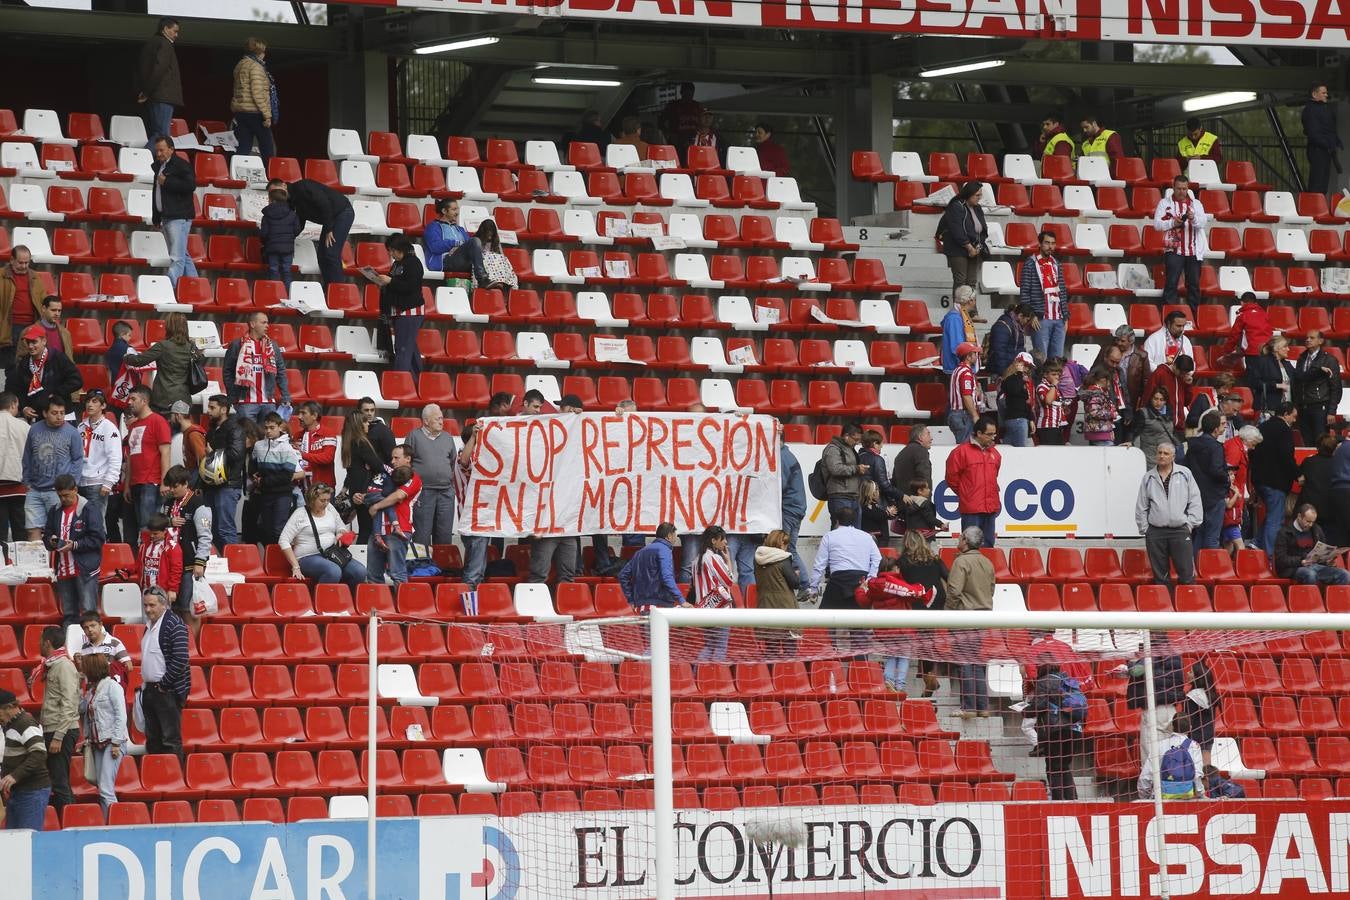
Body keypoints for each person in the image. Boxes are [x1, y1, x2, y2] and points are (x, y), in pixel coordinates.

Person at [810, 516, 881, 651]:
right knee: (859, 630)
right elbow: (877, 558)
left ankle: (830, 656)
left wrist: (813, 588)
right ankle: (860, 660)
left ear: (837, 521)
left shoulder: (829, 536)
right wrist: (870, 579)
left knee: (826, 624)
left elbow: (820, 564)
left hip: (837, 582)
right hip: (860, 583)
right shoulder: (866, 537)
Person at [1135, 444, 1203, 586]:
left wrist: (1190, 524)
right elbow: (1141, 506)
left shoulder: (1185, 473)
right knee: (1160, 577)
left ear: (1173, 457)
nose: (1162, 456)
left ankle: (1186, 599)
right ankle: (1164, 600)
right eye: (1159, 452)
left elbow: (1195, 500)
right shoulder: (1148, 477)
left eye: (1166, 453)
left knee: (1187, 575)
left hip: (1180, 530)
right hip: (1156, 532)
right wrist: (1146, 529)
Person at [267, 177, 354, 287]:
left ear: (284, 185)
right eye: (273, 193)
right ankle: (329, 288)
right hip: (331, 218)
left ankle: (338, 290)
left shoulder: (303, 187)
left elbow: (324, 203)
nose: (276, 194)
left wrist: (329, 229)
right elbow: (299, 223)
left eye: (276, 190)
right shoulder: (290, 203)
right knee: (322, 256)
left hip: (342, 212)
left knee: (331, 253)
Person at [947, 526, 995, 717]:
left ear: (965, 540)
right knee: (976, 662)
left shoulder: (961, 562)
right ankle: (982, 707)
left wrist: (949, 612)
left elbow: (954, 591)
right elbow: (991, 589)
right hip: (982, 618)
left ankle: (968, 707)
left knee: (965, 662)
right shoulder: (987, 562)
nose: (958, 540)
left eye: (960, 537)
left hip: (964, 618)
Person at [279, 484, 367, 588]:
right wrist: (295, 567)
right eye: (322, 500)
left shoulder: (330, 508)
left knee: (360, 571)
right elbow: (283, 540)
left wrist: (340, 533)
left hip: (332, 554)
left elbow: (341, 526)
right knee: (333, 571)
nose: (326, 503)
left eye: (328, 500)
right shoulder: (300, 514)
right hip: (307, 557)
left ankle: (345, 596)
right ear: (312, 500)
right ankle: (323, 597)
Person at [45, 473, 104, 626]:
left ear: (75, 490)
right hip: (63, 569)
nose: (63, 499)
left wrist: (75, 545)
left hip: (85, 569)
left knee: (89, 614)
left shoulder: (89, 509)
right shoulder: (54, 511)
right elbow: (47, 536)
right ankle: (69, 641)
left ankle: (92, 642)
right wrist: (51, 541)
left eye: (66, 495)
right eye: (60, 496)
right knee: (69, 615)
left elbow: (98, 539)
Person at [364, 234, 427, 376]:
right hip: (400, 311)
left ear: (401, 248)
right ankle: (417, 381)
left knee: (402, 349)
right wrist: (383, 283)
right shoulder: (397, 264)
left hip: (410, 312)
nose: (391, 254)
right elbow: (395, 284)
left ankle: (400, 381)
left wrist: (390, 281)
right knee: (409, 349)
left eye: (393, 250)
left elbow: (410, 286)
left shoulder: (414, 263)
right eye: (390, 251)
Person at [21, 397, 83, 542]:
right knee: (32, 531)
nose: (59, 417)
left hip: (59, 492)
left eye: (62, 413)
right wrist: (27, 481)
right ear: (45, 413)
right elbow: (27, 456)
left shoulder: (72, 432)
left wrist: (71, 484)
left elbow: (78, 460)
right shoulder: (34, 429)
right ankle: (38, 558)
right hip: (34, 490)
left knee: (59, 532)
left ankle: (58, 558)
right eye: (54, 413)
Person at [140, 586, 189, 762]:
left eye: (152, 605)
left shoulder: (174, 624)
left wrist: (164, 684)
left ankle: (174, 776)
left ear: (163, 604)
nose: (147, 609)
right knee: (153, 740)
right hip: (151, 690)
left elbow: (181, 659)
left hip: (166, 691)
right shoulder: (150, 625)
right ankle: (157, 775)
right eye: (145, 605)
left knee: (170, 740)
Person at [33, 625, 78, 814]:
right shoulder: (53, 664)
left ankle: (69, 821)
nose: (38, 644)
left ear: (47, 643)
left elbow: (70, 702)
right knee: (59, 780)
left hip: (60, 730)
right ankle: (70, 819)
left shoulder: (63, 665)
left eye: (40, 640)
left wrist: (58, 736)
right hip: (55, 728)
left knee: (59, 782)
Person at [897, 529, 946, 697]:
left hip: (918, 600)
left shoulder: (904, 561)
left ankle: (929, 676)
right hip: (937, 598)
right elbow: (948, 577)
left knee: (923, 640)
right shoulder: (935, 559)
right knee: (928, 638)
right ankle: (929, 676)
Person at [78, 652, 128, 813]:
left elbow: (121, 715)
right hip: (97, 743)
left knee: (106, 789)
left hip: (112, 743)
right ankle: (109, 821)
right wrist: (79, 685)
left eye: (85, 668)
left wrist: (116, 742)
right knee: (102, 788)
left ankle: (117, 822)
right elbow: (81, 709)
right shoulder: (92, 690)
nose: (83, 671)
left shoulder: (113, 686)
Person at [122, 311, 199, 415]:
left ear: (169, 327)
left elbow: (139, 361)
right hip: (184, 398)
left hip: (163, 398)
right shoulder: (192, 347)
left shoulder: (163, 346)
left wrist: (126, 357)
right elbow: (199, 362)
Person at [160, 465, 212, 615]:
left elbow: (205, 536)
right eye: (170, 486)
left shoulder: (198, 504)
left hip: (189, 564)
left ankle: (190, 632)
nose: (172, 490)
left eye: (175, 486)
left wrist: (200, 562)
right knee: (170, 608)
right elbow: (156, 524)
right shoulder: (168, 503)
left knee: (188, 608)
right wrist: (169, 522)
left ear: (185, 483)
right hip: (169, 564)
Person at [366, 452, 421, 589]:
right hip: (378, 530)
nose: (392, 461)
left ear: (408, 459)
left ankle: (403, 602)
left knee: (397, 574)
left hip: (398, 530)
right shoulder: (387, 475)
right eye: (392, 458)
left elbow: (398, 496)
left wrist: (375, 506)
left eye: (396, 458)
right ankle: (380, 603)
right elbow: (376, 493)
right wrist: (363, 497)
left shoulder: (412, 476)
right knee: (373, 576)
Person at [124, 386, 172, 544]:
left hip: (151, 482)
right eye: (129, 399)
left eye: (133, 399)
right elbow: (130, 458)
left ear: (144, 401)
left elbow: (165, 452)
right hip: (136, 483)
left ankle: (152, 556)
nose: (129, 402)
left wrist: (164, 481)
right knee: (142, 527)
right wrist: (127, 485)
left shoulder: (158, 421)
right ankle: (145, 555)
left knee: (149, 526)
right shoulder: (133, 426)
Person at [223, 311, 291, 422]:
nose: (267, 326)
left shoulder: (272, 346)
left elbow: (281, 371)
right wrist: (233, 396)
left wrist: (285, 396)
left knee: (268, 433)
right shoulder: (237, 344)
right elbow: (227, 371)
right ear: (252, 324)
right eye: (263, 323)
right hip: (245, 402)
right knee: (248, 433)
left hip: (268, 402)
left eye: (267, 323)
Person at [1026, 661, 1080, 800]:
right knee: (1064, 766)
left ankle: (1058, 802)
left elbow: (1039, 705)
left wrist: (1024, 710)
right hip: (1074, 729)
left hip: (1055, 730)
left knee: (1053, 767)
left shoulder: (1044, 681)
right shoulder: (1068, 680)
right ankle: (1072, 800)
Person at [945, 415, 1002, 547]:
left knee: (988, 546)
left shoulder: (995, 453)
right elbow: (951, 478)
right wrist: (967, 493)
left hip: (990, 507)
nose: (993, 437)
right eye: (989, 434)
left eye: (994, 434)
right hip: (971, 509)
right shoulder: (960, 452)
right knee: (970, 546)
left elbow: (994, 477)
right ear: (979, 433)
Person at [1154, 175, 1208, 312]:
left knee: (1194, 286)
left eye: (1184, 189)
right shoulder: (1164, 203)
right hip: (1173, 250)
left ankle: (1194, 316)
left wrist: (1193, 218)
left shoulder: (1196, 204)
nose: (1181, 192)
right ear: (1173, 187)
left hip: (1194, 251)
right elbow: (1157, 224)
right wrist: (1173, 223)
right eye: (1178, 188)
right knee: (1171, 284)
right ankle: (1169, 316)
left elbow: (1203, 222)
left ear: (1187, 188)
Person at [1251, 402, 1299, 555]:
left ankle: (1257, 543)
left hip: (1259, 480)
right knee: (1276, 519)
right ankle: (1271, 556)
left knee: (1273, 514)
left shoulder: (1262, 427)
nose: (1294, 420)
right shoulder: (1284, 430)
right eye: (1293, 416)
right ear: (1285, 414)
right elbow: (1287, 457)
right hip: (1276, 482)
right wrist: (1297, 474)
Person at [149, 135, 197, 287]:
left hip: (179, 217)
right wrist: (156, 216)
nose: (158, 154)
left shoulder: (182, 165)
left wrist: (168, 182)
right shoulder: (160, 166)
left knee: (177, 257)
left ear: (171, 149)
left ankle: (170, 288)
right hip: (168, 216)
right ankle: (196, 287)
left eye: (161, 150)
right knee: (183, 255)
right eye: (157, 151)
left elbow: (191, 186)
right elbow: (156, 193)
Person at [405, 403, 457, 546]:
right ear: (426, 421)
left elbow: (453, 462)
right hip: (423, 492)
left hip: (446, 492)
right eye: (437, 419)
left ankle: (443, 560)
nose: (441, 422)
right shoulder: (414, 436)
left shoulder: (447, 437)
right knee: (422, 534)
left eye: (442, 418)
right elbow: (406, 462)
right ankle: (423, 560)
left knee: (444, 534)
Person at [0, 687, 50, 830]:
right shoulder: (10, 725)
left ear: (9, 708)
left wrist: (14, 776)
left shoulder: (26, 724)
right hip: (19, 791)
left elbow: (39, 753)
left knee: (27, 836)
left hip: (32, 791)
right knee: (14, 837)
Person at [252, 411, 304, 545]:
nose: (268, 431)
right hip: (265, 493)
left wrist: (263, 481)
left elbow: (287, 476)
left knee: (278, 530)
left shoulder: (288, 448)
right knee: (266, 530)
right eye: (266, 428)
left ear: (280, 427)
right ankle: (269, 557)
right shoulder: (258, 445)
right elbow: (253, 465)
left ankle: (281, 557)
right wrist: (254, 475)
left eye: (272, 427)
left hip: (282, 494)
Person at [9, 324, 80, 420]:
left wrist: (56, 393)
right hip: (37, 416)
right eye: (28, 342)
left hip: (61, 415)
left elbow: (76, 381)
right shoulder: (24, 362)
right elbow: (18, 389)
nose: (30, 346)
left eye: (34, 342)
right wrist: (24, 407)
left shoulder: (58, 358)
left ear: (44, 341)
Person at [202, 395, 244, 549]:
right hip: (212, 485)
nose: (208, 411)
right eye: (209, 407)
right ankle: (222, 560)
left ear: (224, 409)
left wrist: (213, 453)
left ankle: (233, 561)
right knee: (212, 529)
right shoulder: (212, 430)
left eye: (212, 407)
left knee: (225, 529)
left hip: (228, 485)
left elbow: (236, 454)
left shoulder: (235, 429)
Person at [1274, 503, 1350, 585]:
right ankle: (1311, 594)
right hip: (1294, 568)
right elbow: (1280, 559)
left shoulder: (1316, 530)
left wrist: (1328, 561)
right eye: (1308, 521)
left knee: (1344, 575)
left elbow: (1322, 551)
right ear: (1299, 517)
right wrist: (1301, 561)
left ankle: (1331, 594)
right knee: (1310, 574)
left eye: (1312, 522)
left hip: (1315, 566)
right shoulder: (1284, 532)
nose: (1310, 525)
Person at [1019, 232, 1068, 361]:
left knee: (1057, 361)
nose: (1050, 246)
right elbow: (1025, 291)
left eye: (1053, 243)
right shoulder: (1030, 263)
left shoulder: (1056, 263)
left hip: (1059, 319)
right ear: (1040, 244)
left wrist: (1066, 316)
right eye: (1047, 243)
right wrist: (1030, 315)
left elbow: (1062, 290)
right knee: (1041, 359)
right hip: (1040, 319)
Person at [0, 246, 48, 374]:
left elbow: (43, 300)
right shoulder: (1, 275)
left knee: (30, 365)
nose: (24, 266)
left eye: (27, 262)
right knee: (11, 366)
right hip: (9, 326)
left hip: (32, 325)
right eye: (21, 263)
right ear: (12, 260)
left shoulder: (35, 276)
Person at [230, 37, 277, 166]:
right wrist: (267, 115)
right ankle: (269, 173)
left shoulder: (240, 65)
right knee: (267, 147)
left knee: (244, 146)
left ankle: (237, 171)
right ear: (259, 52)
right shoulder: (256, 67)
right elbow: (258, 93)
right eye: (263, 51)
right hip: (255, 112)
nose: (264, 55)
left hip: (241, 112)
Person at [1187, 410, 1230, 551]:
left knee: (1199, 535)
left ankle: (1195, 563)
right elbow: (1216, 470)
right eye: (1222, 425)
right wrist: (1227, 478)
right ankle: (1210, 564)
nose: (1224, 428)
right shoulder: (1216, 447)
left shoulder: (1192, 444)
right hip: (1214, 495)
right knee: (1212, 537)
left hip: (1196, 494)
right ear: (1216, 429)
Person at [1138, 711, 1205, 801]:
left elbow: (1145, 777)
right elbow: (1197, 775)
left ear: (1173, 727)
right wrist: (1201, 794)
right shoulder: (1194, 746)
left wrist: (1145, 798)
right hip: (1187, 798)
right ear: (1190, 728)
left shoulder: (1159, 745)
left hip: (1161, 799)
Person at [751, 530, 798, 658]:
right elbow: (795, 583)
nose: (786, 547)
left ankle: (772, 671)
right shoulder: (784, 559)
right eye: (785, 544)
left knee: (771, 649)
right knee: (789, 649)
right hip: (785, 606)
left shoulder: (758, 558)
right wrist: (796, 574)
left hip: (765, 604)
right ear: (781, 543)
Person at [938, 182, 988, 301]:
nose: (979, 198)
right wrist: (969, 247)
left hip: (974, 248)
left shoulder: (977, 208)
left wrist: (977, 247)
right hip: (958, 249)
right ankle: (959, 309)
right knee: (960, 281)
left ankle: (971, 310)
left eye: (980, 195)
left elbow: (982, 229)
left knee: (971, 281)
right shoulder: (956, 206)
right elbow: (957, 230)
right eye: (977, 195)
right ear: (969, 194)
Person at [618, 523, 686, 610]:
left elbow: (623, 575)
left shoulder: (639, 552)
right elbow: (667, 576)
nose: (676, 538)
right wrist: (681, 600)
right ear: (669, 536)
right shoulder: (664, 549)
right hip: (659, 605)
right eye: (675, 535)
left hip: (640, 605)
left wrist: (631, 599)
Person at [136, 17, 182, 148]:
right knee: (161, 136)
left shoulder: (151, 43)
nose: (176, 35)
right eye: (175, 31)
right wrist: (147, 92)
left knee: (159, 134)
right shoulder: (165, 44)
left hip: (155, 96)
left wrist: (146, 91)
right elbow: (159, 69)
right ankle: (143, 158)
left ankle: (147, 158)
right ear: (166, 29)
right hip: (163, 96)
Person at [692, 525, 735, 662]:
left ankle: (697, 672)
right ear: (713, 541)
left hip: (704, 609)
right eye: (723, 539)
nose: (726, 542)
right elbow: (729, 581)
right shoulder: (713, 558)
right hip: (719, 610)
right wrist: (728, 561)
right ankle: (715, 675)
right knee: (720, 648)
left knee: (709, 646)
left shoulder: (696, 560)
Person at [341, 410, 384, 542]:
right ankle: (366, 555)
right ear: (358, 425)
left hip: (356, 491)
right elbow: (379, 466)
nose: (368, 424)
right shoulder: (361, 442)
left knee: (364, 529)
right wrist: (372, 465)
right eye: (365, 422)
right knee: (368, 531)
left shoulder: (348, 443)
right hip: (366, 492)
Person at [422, 197, 488, 283]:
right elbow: (435, 247)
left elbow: (468, 245)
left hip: (461, 260)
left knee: (481, 248)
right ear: (444, 211)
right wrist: (456, 243)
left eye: (457, 209)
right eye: (454, 209)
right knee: (475, 241)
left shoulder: (460, 229)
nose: (457, 212)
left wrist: (458, 248)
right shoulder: (433, 227)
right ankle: (483, 279)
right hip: (445, 261)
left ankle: (489, 280)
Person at [1295, 330, 1341, 445]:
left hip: (1320, 407)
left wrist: (1332, 411)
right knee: (1307, 442)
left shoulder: (1329, 360)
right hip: (1303, 407)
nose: (1308, 340)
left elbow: (1336, 387)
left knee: (1321, 442)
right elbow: (1299, 379)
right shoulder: (1301, 358)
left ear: (1320, 341)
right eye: (1307, 338)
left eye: (1312, 338)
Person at [821, 422, 866, 528]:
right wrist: (856, 469)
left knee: (854, 533)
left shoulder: (848, 448)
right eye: (855, 439)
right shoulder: (833, 449)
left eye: (859, 440)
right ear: (846, 435)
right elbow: (835, 469)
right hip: (840, 496)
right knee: (840, 531)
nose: (857, 443)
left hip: (853, 496)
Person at [891, 424, 934, 533]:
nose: (931, 438)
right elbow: (924, 478)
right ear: (920, 437)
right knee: (923, 539)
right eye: (928, 434)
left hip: (905, 506)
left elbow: (894, 481)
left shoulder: (901, 454)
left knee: (910, 539)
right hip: (919, 507)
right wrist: (926, 502)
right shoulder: (921, 451)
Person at [1218, 292, 1272, 375]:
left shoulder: (1242, 316)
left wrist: (1227, 351)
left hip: (1252, 352)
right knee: (1266, 377)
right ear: (1255, 302)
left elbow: (1234, 335)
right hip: (1267, 351)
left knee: (1253, 378)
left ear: (1242, 302)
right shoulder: (1264, 314)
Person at [1142, 352, 1195, 436]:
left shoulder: (1183, 378)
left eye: (1186, 373)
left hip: (1179, 428)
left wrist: (1188, 385)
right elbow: (1147, 398)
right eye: (1181, 373)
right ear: (1175, 365)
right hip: (1162, 428)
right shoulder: (1159, 374)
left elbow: (1186, 402)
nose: (1183, 375)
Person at [258, 187, 301, 290]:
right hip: (287, 248)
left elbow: (264, 233)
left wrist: (265, 242)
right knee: (286, 270)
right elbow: (297, 230)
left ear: (272, 200)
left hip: (272, 247)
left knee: (273, 270)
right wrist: (289, 238)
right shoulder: (292, 214)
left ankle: (275, 292)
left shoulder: (267, 215)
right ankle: (288, 293)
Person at [1302, 81, 1341, 195]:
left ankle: (1319, 203)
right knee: (1317, 183)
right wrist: (1327, 143)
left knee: (1323, 183)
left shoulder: (1323, 109)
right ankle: (1314, 204)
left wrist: (1334, 141)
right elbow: (1313, 133)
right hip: (1318, 149)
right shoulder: (1311, 110)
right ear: (1314, 94)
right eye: (1323, 93)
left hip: (1325, 149)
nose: (1326, 95)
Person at [132, 514, 181, 597]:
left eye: (155, 534)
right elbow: (138, 565)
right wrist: (127, 571)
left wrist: (173, 589)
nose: (152, 536)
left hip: (163, 592)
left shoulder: (173, 547)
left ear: (165, 531)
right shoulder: (144, 545)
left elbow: (176, 570)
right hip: (145, 590)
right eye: (150, 533)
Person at [1247, 336, 1296, 419]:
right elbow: (1255, 382)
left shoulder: (1287, 364)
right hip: (1269, 408)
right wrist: (1276, 385)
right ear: (1276, 348)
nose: (1288, 349)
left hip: (1286, 409)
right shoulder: (1262, 361)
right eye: (1285, 346)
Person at [0, 392, 27, 542]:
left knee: (0, 533)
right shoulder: (23, 426)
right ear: (13, 404)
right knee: (20, 529)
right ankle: (20, 556)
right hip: (18, 484)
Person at [778, 431, 806, 579]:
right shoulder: (787, 455)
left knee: (786, 548)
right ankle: (804, 583)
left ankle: (803, 583)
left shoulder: (781, 457)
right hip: (795, 508)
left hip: (788, 509)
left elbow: (779, 486)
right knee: (790, 549)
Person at [1298, 431, 1339, 526]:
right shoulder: (1337, 463)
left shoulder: (1308, 461)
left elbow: (1300, 478)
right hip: (1329, 508)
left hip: (1309, 507)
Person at [296, 401, 337, 489]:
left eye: (303, 413)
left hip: (323, 489)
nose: (299, 417)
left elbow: (327, 458)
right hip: (302, 488)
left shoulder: (328, 433)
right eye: (299, 413)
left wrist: (301, 454)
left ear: (314, 415)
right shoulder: (297, 436)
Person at [1135, 386, 1180, 467]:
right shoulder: (1143, 413)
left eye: (1161, 400)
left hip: (1168, 458)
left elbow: (1172, 432)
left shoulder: (1169, 413)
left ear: (1165, 401)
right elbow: (1134, 431)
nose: (1158, 402)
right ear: (1151, 399)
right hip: (1150, 458)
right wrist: (1129, 440)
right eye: (1155, 399)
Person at [947, 341, 981, 446]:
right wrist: (975, 415)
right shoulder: (966, 373)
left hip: (958, 414)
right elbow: (966, 396)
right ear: (968, 357)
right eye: (974, 353)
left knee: (964, 447)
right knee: (965, 448)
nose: (976, 356)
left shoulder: (957, 370)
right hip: (964, 415)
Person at [940, 287, 980, 374]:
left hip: (960, 368)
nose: (975, 302)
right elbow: (957, 347)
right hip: (957, 368)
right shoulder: (954, 318)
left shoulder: (960, 316)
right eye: (975, 300)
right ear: (970, 301)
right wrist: (966, 366)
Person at [1000, 352, 1036, 447]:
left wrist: (1031, 419)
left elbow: (1026, 401)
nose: (1027, 369)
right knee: (1020, 451)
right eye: (1025, 365)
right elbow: (1014, 391)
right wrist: (1019, 373)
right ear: (1017, 364)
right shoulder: (1009, 380)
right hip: (1016, 419)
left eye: (1029, 367)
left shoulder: (1024, 380)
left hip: (1020, 419)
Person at [987, 303, 1033, 376]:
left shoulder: (1017, 326)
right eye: (1027, 320)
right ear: (1020, 315)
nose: (1027, 323)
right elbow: (999, 353)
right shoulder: (1002, 326)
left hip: (1012, 369)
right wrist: (1004, 373)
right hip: (1001, 371)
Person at [659, 82, 704, 156]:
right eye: (686, 94)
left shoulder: (698, 106)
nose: (688, 97)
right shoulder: (673, 106)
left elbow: (703, 123)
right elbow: (660, 122)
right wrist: (669, 135)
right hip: (677, 142)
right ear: (681, 93)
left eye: (690, 94)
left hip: (694, 142)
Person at [1034, 359, 1068, 446]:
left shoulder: (1054, 387)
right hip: (1046, 426)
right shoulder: (1042, 386)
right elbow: (1048, 401)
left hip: (1056, 426)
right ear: (1045, 374)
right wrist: (1053, 385)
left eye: (1058, 375)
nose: (1056, 377)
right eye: (1053, 374)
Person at [476, 220, 517, 290]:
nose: (490, 233)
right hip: (484, 261)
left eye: (491, 231)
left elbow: (500, 254)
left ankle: (501, 281)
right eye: (488, 231)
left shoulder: (495, 241)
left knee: (502, 260)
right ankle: (490, 281)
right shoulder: (477, 240)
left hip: (496, 264)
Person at [170, 400, 206, 478]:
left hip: (196, 476)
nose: (170, 420)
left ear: (178, 416)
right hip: (192, 474)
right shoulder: (187, 432)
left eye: (171, 416)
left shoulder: (193, 434)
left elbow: (202, 460)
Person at [359, 396, 396, 462]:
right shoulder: (353, 429)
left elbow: (391, 456)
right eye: (366, 410)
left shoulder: (384, 431)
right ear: (359, 411)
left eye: (372, 410)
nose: (370, 413)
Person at [106, 321, 133, 387]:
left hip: (114, 382)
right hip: (125, 383)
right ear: (122, 334)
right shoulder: (127, 349)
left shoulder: (111, 349)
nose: (130, 338)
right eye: (129, 335)